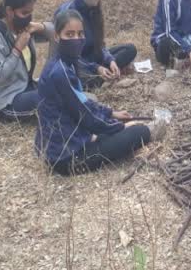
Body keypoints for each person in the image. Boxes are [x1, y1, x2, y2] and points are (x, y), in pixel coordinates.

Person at [36, 10, 168, 175]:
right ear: (56, 36)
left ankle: (98, 136)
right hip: (66, 158)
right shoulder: (60, 72)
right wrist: (120, 127)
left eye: (80, 34)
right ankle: (139, 131)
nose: (76, 39)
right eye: (69, 34)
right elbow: (87, 117)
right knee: (139, 132)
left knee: (111, 131)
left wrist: (111, 113)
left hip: (66, 141)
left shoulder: (65, 62)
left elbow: (82, 102)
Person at [0, 0, 54, 122]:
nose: (28, 17)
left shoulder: (21, 26)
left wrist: (40, 26)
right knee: (54, 101)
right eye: (24, 13)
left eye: (31, 12)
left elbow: (58, 34)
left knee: (61, 88)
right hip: (7, 101)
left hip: (28, 88)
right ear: (9, 11)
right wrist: (17, 49)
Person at [55, 0, 137, 89]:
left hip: (93, 57)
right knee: (86, 80)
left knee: (130, 49)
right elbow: (68, 54)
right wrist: (96, 67)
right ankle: (101, 77)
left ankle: (107, 72)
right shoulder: (69, 13)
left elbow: (100, 45)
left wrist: (110, 60)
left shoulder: (94, 10)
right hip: (75, 62)